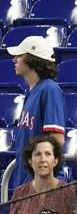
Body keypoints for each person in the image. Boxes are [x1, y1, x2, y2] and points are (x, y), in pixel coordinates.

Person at [7, 36, 65, 193]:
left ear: (33, 60)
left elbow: (56, 140)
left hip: (42, 186)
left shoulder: (49, 89)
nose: (14, 60)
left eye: (19, 55)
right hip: (26, 184)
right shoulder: (32, 93)